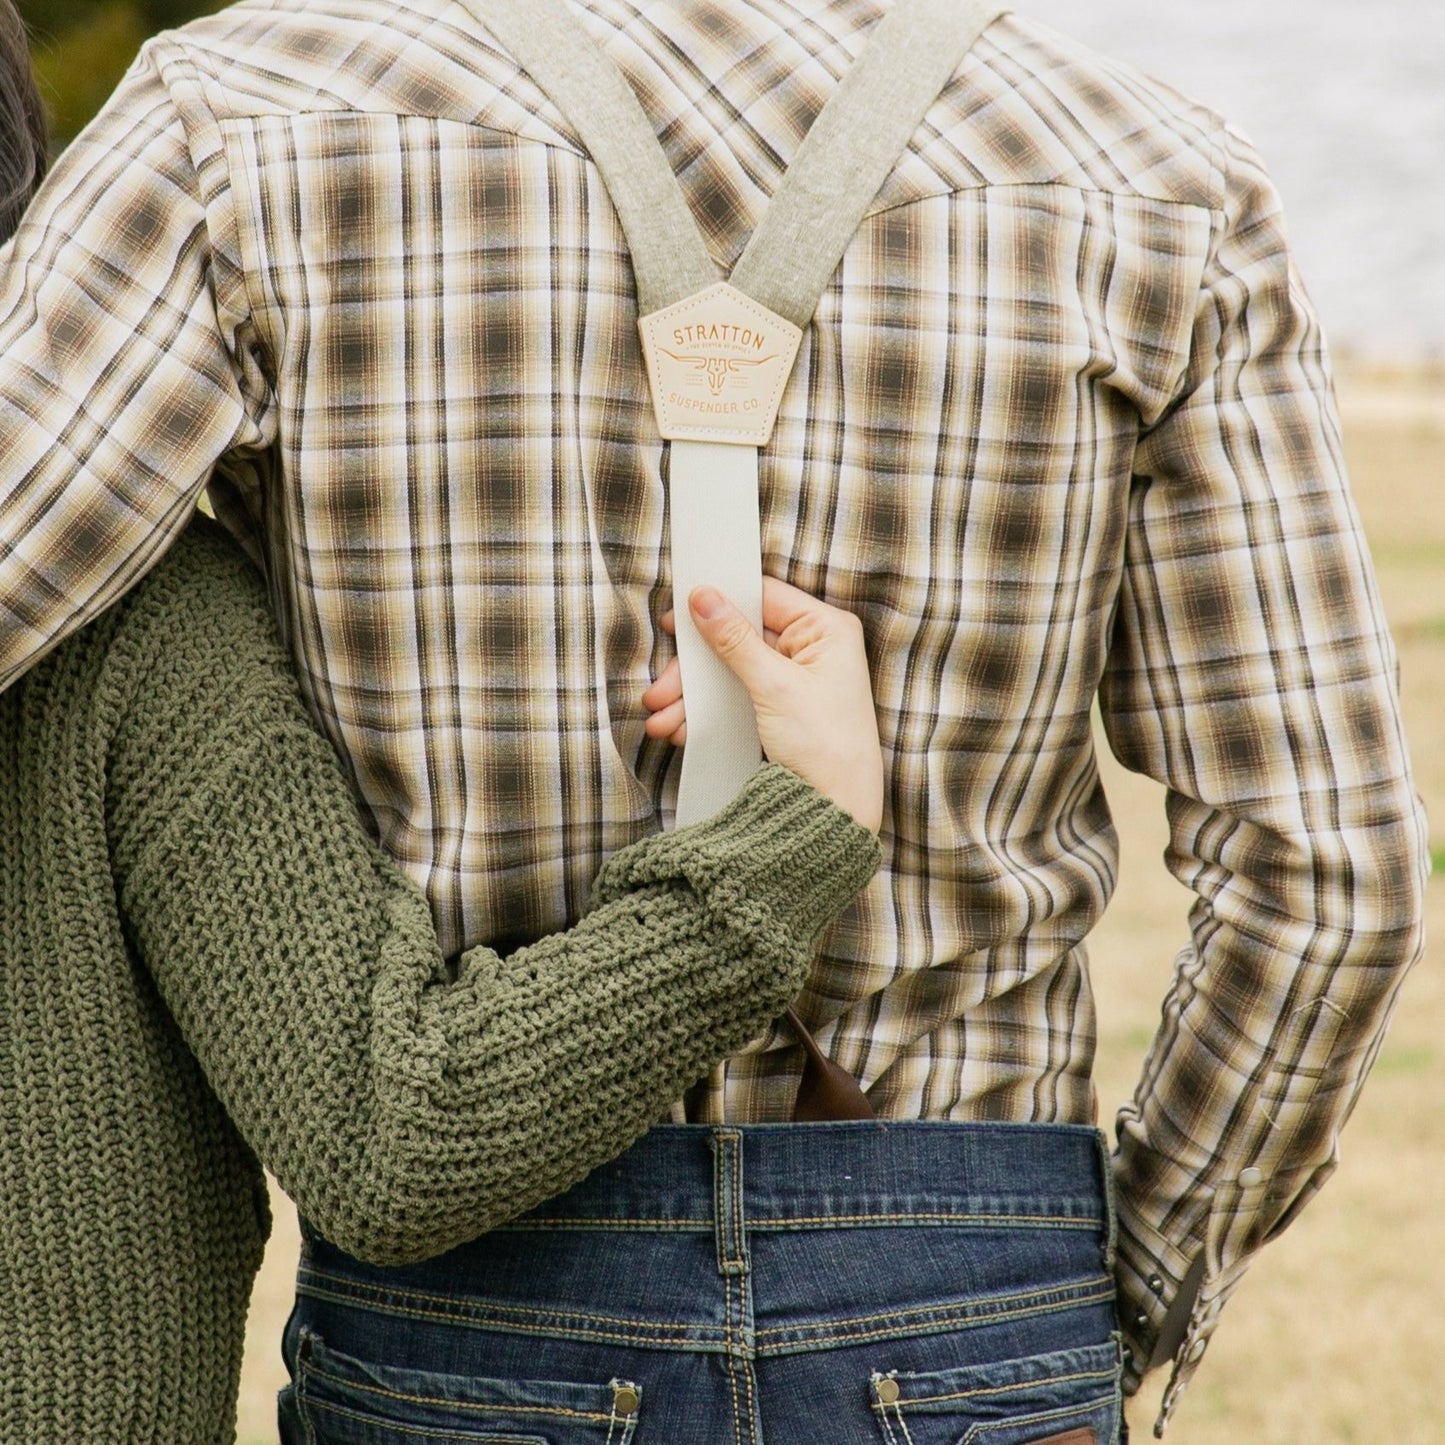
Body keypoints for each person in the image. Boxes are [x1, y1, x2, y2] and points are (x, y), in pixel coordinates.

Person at [0, 1, 1426, 1440]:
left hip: (474, 1311)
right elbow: (1328, 880)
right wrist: (1087, 1295)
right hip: (975, 1297)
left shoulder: (232, 125)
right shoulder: (1157, 180)